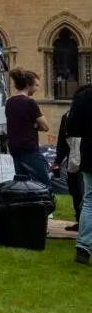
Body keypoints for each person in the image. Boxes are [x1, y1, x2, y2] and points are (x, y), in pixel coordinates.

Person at [4, 68, 49, 185]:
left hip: (14, 148)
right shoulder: (30, 103)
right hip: (29, 148)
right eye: (36, 85)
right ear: (28, 85)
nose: (37, 88)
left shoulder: (9, 102)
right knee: (43, 183)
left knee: (22, 184)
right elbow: (45, 126)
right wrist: (34, 125)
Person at [66, 82, 92, 265]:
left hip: (91, 152)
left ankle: (83, 247)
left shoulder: (84, 95)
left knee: (90, 200)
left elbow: (73, 127)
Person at [55, 111, 82, 233]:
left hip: (83, 159)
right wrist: (58, 161)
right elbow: (62, 142)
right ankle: (80, 221)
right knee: (76, 193)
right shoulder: (66, 117)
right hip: (74, 161)